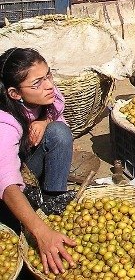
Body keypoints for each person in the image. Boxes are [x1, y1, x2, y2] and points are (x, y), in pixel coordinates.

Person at [0, 48, 76, 275]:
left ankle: (51, 201)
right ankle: (32, 218)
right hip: (8, 176)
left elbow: (58, 116)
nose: (49, 85)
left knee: (59, 133)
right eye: (37, 83)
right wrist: (41, 232)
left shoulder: (47, 94)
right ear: (15, 94)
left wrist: (44, 120)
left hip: (26, 162)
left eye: (48, 75)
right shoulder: (4, 123)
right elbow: (6, 182)